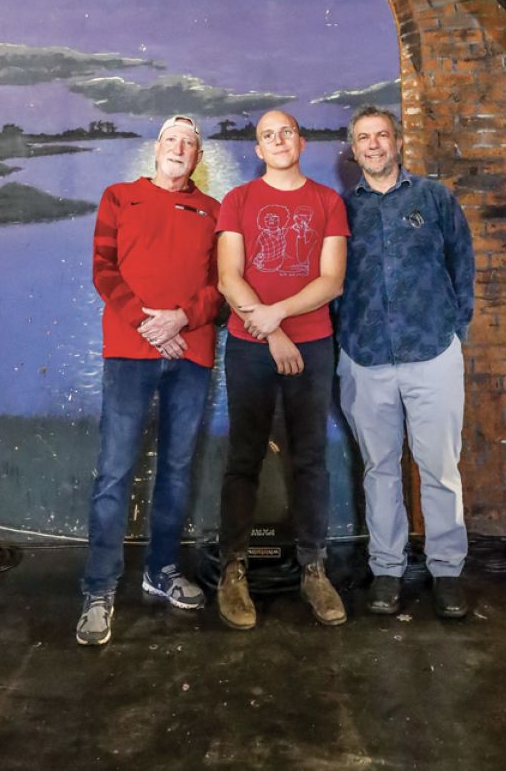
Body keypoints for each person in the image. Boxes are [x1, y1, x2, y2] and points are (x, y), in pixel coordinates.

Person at [76, 115, 221, 646]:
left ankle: (161, 572)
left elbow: (221, 287)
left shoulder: (213, 211)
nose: (179, 149)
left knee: (177, 470)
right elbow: (103, 268)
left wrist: (180, 319)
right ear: (155, 149)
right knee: (114, 472)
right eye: (171, 140)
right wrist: (146, 322)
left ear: (197, 158)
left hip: (192, 352)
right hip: (129, 352)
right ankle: (99, 588)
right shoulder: (118, 197)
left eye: (189, 143)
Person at [337, 105, 475, 620]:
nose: (373, 145)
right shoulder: (341, 212)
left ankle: (447, 571)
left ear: (397, 142)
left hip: (431, 353)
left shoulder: (434, 199)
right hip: (365, 357)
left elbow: (463, 264)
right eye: (363, 138)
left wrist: (455, 329)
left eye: (382, 136)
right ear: (353, 149)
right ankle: (388, 570)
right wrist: (344, 340)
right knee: (379, 469)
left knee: (440, 469)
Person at [215, 110, 349, 629]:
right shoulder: (238, 201)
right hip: (252, 347)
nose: (278, 140)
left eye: (286, 132)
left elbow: (332, 279)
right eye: (267, 135)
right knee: (244, 456)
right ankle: (233, 569)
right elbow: (229, 277)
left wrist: (282, 317)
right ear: (258, 148)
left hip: (313, 346)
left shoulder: (327, 201)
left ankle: (313, 567)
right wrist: (271, 331)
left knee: (309, 457)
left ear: (302, 140)